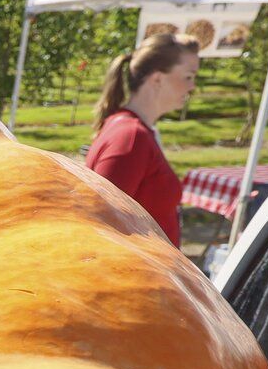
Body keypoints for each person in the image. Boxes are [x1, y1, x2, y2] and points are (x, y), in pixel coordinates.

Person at [85, 33, 201, 248]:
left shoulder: (132, 130)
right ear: (157, 78)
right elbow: (98, 223)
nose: (192, 86)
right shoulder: (131, 137)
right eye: (188, 76)